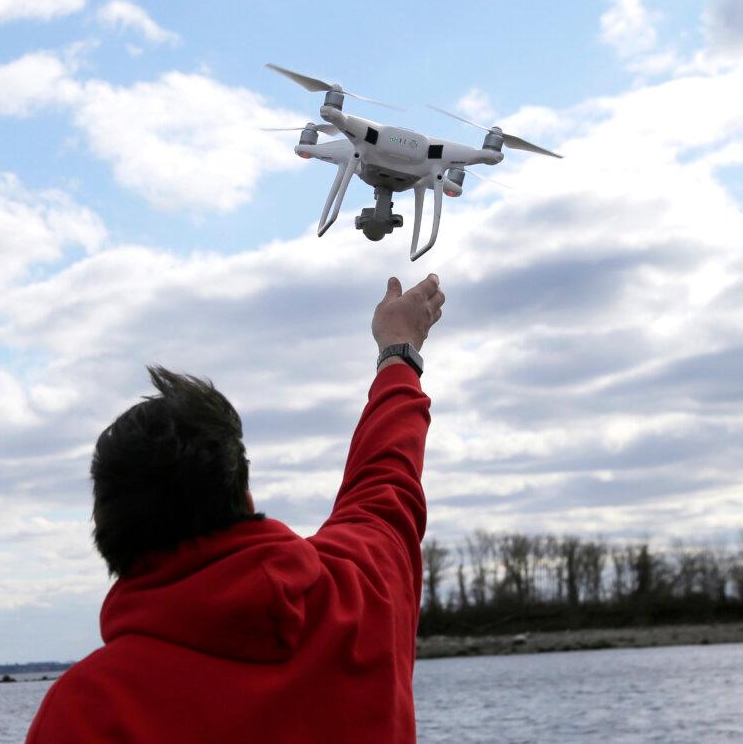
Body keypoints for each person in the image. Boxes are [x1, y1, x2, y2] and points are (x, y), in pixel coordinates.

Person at [26, 274, 444, 743]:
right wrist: (398, 352)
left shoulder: (87, 710)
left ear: (107, 535)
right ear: (244, 500)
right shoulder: (362, 597)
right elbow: (386, 478)